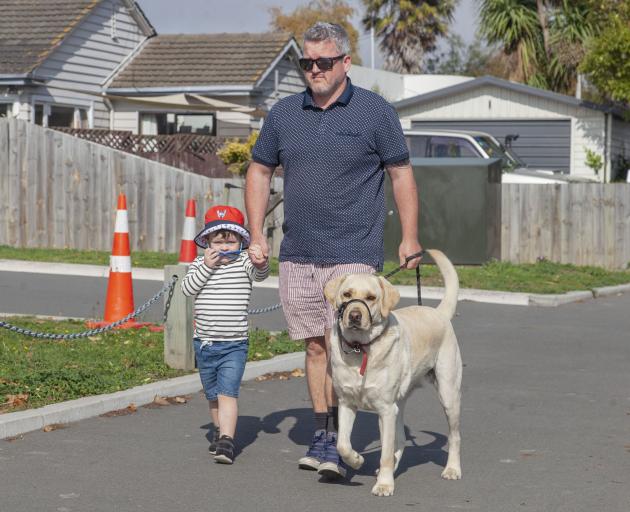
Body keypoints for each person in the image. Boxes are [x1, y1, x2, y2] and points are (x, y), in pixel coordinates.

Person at [245, 22, 422, 479]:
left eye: (324, 62)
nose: (315, 70)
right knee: (316, 348)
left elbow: (400, 174)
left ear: (345, 62)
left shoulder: (374, 112)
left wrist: (409, 235)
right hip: (299, 251)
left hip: (354, 251)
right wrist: (257, 233)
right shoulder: (284, 114)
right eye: (307, 63)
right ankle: (325, 435)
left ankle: (341, 447)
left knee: (346, 344)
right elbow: (260, 171)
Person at [181, 205, 269, 464]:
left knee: (227, 392)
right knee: (213, 395)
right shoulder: (199, 263)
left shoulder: (244, 263)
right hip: (205, 343)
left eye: (231, 241)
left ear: (241, 240)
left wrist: (261, 260)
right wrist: (207, 267)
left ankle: (228, 441)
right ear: (207, 241)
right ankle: (220, 433)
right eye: (218, 241)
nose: (225, 247)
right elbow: (187, 289)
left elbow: (261, 275)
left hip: (234, 344)